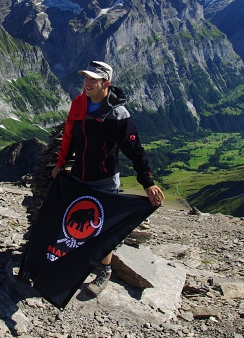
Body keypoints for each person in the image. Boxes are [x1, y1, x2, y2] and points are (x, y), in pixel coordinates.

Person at [51, 60, 165, 296]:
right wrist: (60, 164)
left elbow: (135, 150)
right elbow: (69, 137)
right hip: (78, 177)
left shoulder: (118, 113)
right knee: (72, 221)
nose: (87, 83)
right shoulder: (79, 103)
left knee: (101, 228)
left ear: (106, 84)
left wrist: (148, 183)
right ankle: (74, 262)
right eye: (86, 78)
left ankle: (104, 270)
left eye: (93, 79)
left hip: (104, 180)